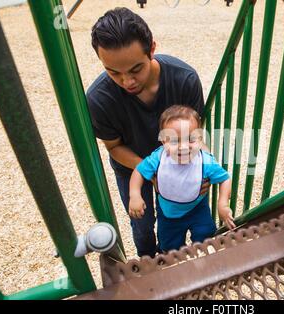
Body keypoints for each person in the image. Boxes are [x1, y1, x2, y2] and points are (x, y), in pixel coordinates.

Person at [86, 7, 210, 258]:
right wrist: (150, 169)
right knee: (142, 225)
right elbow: (114, 147)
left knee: (183, 213)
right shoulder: (99, 99)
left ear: (152, 48)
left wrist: (204, 166)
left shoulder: (184, 79)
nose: (127, 81)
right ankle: (148, 264)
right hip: (132, 167)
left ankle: (179, 256)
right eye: (113, 72)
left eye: (135, 69)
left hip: (180, 161)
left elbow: (196, 134)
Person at [129, 105, 236, 252]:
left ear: (200, 139)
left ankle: (204, 264)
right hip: (168, 213)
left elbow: (225, 178)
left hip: (198, 209)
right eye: (174, 141)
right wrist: (134, 195)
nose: (183, 147)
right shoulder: (159, 158)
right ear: (163, 141)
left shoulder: (205, 161)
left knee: (207, 239)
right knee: (170, 247)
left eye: (191, 140)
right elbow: (139, 171)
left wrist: (222, 203)